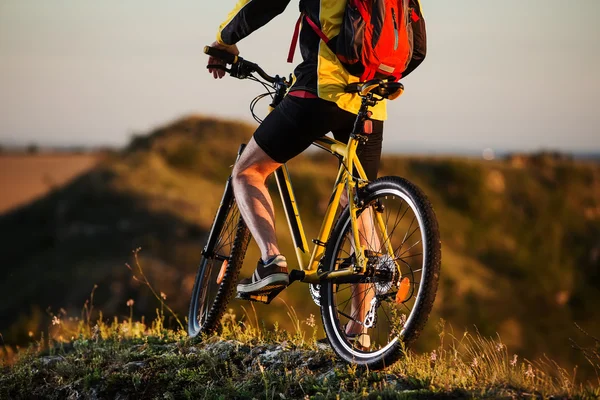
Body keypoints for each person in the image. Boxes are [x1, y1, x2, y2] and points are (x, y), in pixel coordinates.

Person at [207, 0, 426, 338]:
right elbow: (417, 45)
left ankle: (271, 261)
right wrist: (370, 71)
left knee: (247, 171)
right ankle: (357, 331)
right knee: (359, 200)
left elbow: (265, 3)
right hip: (372, 97)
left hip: (321, 86)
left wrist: (224, 40)